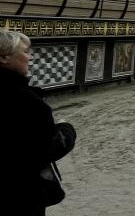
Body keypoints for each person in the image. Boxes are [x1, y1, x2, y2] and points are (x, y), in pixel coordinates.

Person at [0, 31, 77, 215]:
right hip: (21, 195)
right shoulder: (26, 102)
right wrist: (66, 130)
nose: (30, 57)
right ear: (3, 57)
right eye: (26, 51)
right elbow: (42, 151)